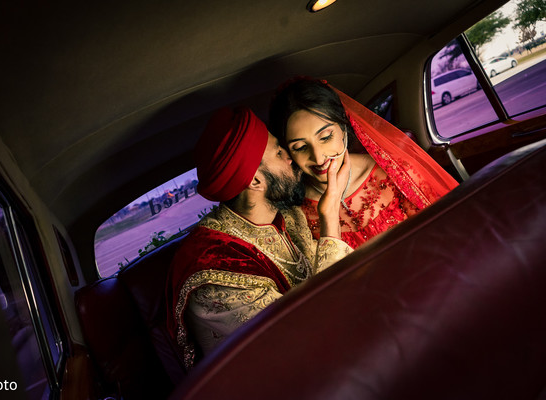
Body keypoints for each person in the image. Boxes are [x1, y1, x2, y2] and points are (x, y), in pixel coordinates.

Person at [166, 107, 353, 369]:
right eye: (279, 152)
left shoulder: (286, 216)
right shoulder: (213, 270)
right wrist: (329, 211)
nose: (290, 158)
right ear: (255, 181)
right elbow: (313, 336)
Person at [268, 77, 459, 249]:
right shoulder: (294, 214)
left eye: (325, 137)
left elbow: (446, 232)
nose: (318, 158)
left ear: (343, 128)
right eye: (300, 147)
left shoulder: (393, 171)